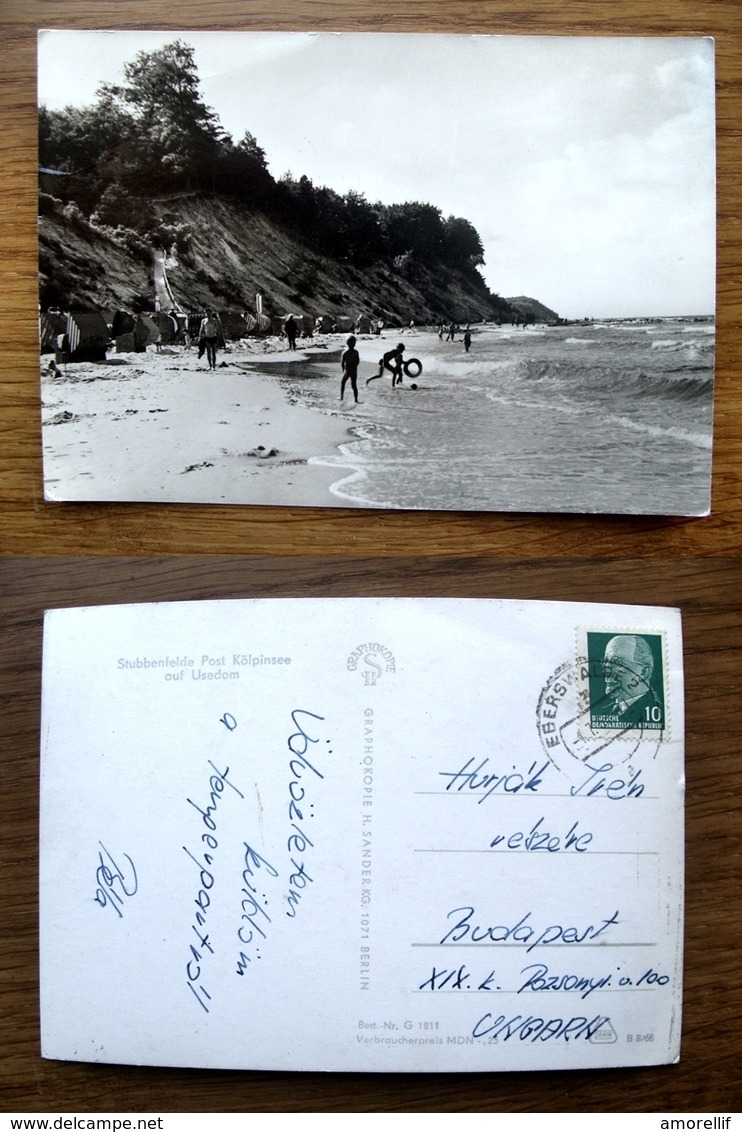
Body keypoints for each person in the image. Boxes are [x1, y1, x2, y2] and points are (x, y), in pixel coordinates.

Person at [600, 635, 660, 725]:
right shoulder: (602, 710)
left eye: (616, 662)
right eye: (605, 662)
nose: (606, 671)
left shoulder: (657, 711)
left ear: (644, 672)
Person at [340, 335, 361, 403]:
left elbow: (342, 363)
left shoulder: (345, 352)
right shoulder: (356, 352)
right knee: (354, 385)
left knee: (343, 383)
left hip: (348, 370)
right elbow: (358, 361)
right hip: (354, 370)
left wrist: (343, 370)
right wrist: (355, 366)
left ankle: (341, 397)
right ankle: (356, 399)